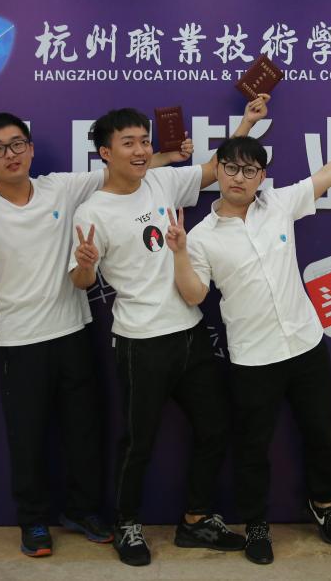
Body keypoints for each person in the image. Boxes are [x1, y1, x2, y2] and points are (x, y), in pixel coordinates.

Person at [0, 112, 191, 558]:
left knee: (84, 431)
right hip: (19, 340)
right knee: (26, 436)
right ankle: (32, 521)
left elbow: (120, 170)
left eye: (17, 144)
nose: (10, 154)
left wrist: (163, 155)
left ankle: (83, 511)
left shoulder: (60, 188)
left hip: (73, 331)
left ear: (30, 149)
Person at [166, 129, 331, 564]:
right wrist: (179, 252)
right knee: (253, 448)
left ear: (261, 177)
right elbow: (195, 295)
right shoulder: (200, 236)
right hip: (254, 358)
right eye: (230, 168)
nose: (238, 177)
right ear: (218, 171)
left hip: (306, 345)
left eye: (249, 170)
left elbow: (329, 174)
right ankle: (256, 524)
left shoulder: (278, 205)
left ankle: (324, 506)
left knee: (319, 434)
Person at [68, 96, 270, 566]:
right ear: (105, 152)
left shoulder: (160, 180)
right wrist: (86, 265)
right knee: (139, 441)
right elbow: (80, 282)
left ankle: (196, 520)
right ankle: (127, 524)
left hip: (190, 332)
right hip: (140, 342)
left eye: (144, 141)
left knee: (215, 427)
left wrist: (246, 122)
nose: (141, 150)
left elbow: (213, 169)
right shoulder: (92, 212)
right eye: (129, 143)